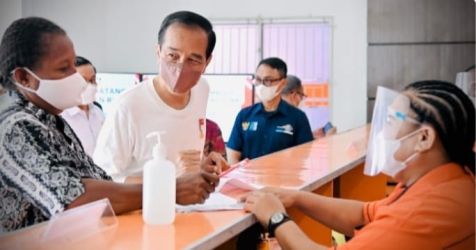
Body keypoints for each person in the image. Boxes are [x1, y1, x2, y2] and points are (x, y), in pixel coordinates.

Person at [0, 17, 223, 233]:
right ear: (24, 78)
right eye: (63, 69)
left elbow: (99, 181)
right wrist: (169, 189)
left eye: (72, 65)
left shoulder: (52, 121)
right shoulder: (14, 128)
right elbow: (74, 197)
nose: (76, 77)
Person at [244, 80, 475, 249]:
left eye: (392, 122)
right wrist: (297, 197)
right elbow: (366, 214)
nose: (383, 133)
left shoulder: (433, 207)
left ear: (424, 138)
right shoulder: (441, 181)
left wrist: (276, 218)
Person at [93, 11, 228, 182]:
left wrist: (201, 166)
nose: (180, 68)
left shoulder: (202, 89)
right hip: (144, 206)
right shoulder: (129, 106)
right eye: (173, 56)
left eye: (193, 60)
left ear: (207, 62)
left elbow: (179, 158)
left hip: (190, 205)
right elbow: (102, 178)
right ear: (158, 52)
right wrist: (171, 179)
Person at [226, 58, 314, 164]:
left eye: (268, 80)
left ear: (282, 83)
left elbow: (304, 158)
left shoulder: (298, 118)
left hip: (284, 179)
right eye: (258, 80)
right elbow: (232, 155)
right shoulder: (244, 115)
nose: (262, 85)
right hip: (248, 179)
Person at [61, 56, 105, 157]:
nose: (90, 85)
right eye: (83, 81)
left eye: (92, 80)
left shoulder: (98, 112)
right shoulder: (61, 117)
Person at [281, 74, 336, 139]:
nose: (301, 100)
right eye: (302, 96)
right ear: (294, 94)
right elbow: (300, 147)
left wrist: (310, 136)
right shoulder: (298, 116)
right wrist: (328, 138)